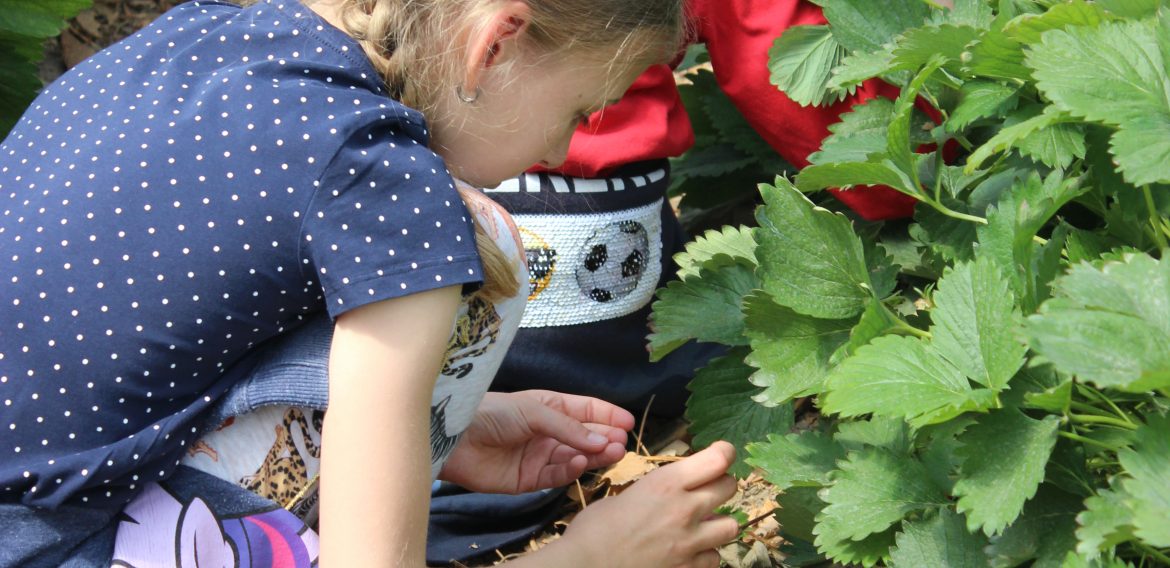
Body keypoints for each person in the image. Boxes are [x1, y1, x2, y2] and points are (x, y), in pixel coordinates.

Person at [0, 0, 742, 566]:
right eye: (579, 110)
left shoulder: (213, 31)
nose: (563, 146)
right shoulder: (393, 191)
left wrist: (447, 431)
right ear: (497, 44)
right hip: (43, 541)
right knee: (487, 245)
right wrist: (587, 556)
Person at [425, 0, 922, 561]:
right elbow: (779, 57)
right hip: (583, 269)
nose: (563, 145)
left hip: (427, 267)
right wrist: (934, 142)